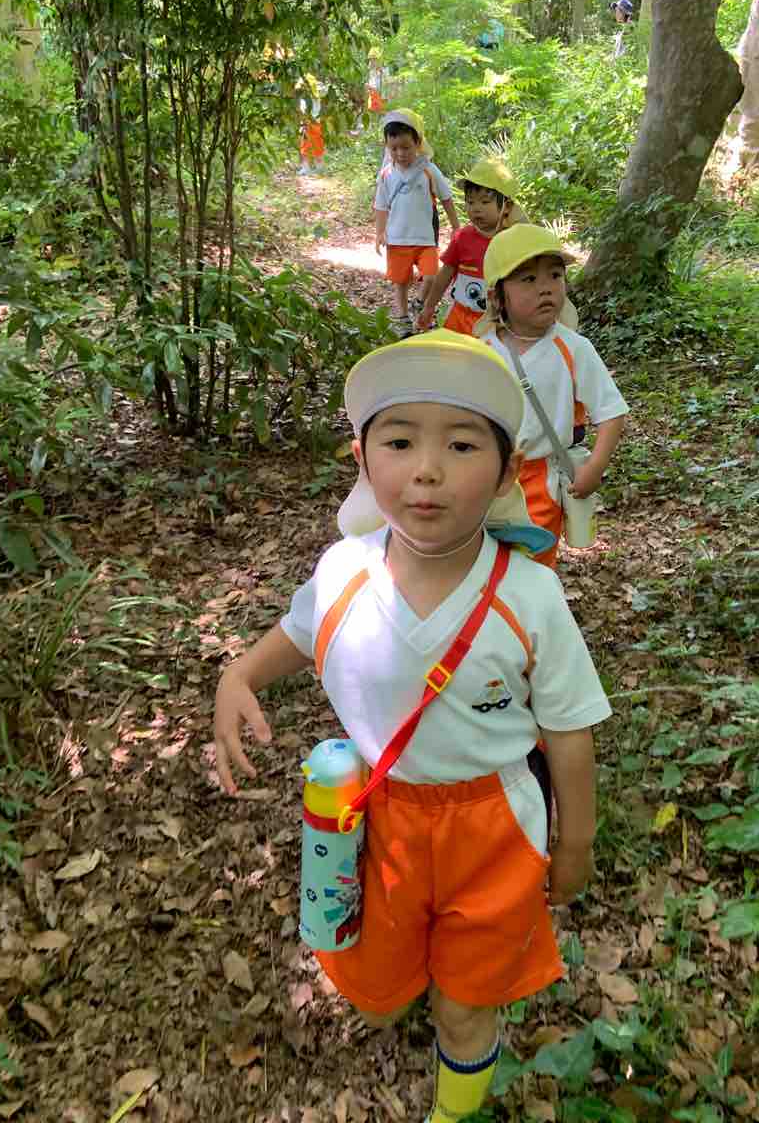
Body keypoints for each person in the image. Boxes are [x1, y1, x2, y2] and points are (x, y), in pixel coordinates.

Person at [213, 329, 611, 1123]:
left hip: (494, 827)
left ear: (505, 470)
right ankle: (406, 984)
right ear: (363, 461)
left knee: (466, 1006)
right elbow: (300, 631)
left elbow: (569, 732)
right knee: (381, 996)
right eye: (399, 442)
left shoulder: (529, 596)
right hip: (379, 820)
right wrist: (239, 675)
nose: (427, 470)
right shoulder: (344, 571)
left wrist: (575, 843)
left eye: (461, 445)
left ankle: (453, 1109)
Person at [478, 224, 629, 569]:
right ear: (497, 296)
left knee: (533, 566)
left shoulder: (573, 349)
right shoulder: (481, 351)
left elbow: (611, 411)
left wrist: (595, 467)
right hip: (484, 476)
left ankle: (534, 604)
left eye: (555, 275)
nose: (545, 288)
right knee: (483, 563)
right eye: (528, 279)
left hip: (539, 481)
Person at [374, 109, 459, 336]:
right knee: (400, 282)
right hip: (397, 239)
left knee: (431, 276)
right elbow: (380, 206)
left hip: (425, 238)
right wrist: (379, 233)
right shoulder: (386, 174)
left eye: (406, 147)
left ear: (418, 143)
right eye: (394, 148)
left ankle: (419, 303)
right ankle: (402, 318)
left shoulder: (428, 170)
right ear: (387, 147)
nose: (400, 153)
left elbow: (446, 198)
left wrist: (456, 227)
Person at [416, 159, 526, 335]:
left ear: (507, 207)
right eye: (470, 202)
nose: (476, 209)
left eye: (484, 202)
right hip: (460, 317)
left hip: (497, 324)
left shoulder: (514, 241)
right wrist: (429, 306)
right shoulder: (462, 238)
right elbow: (445, 275)